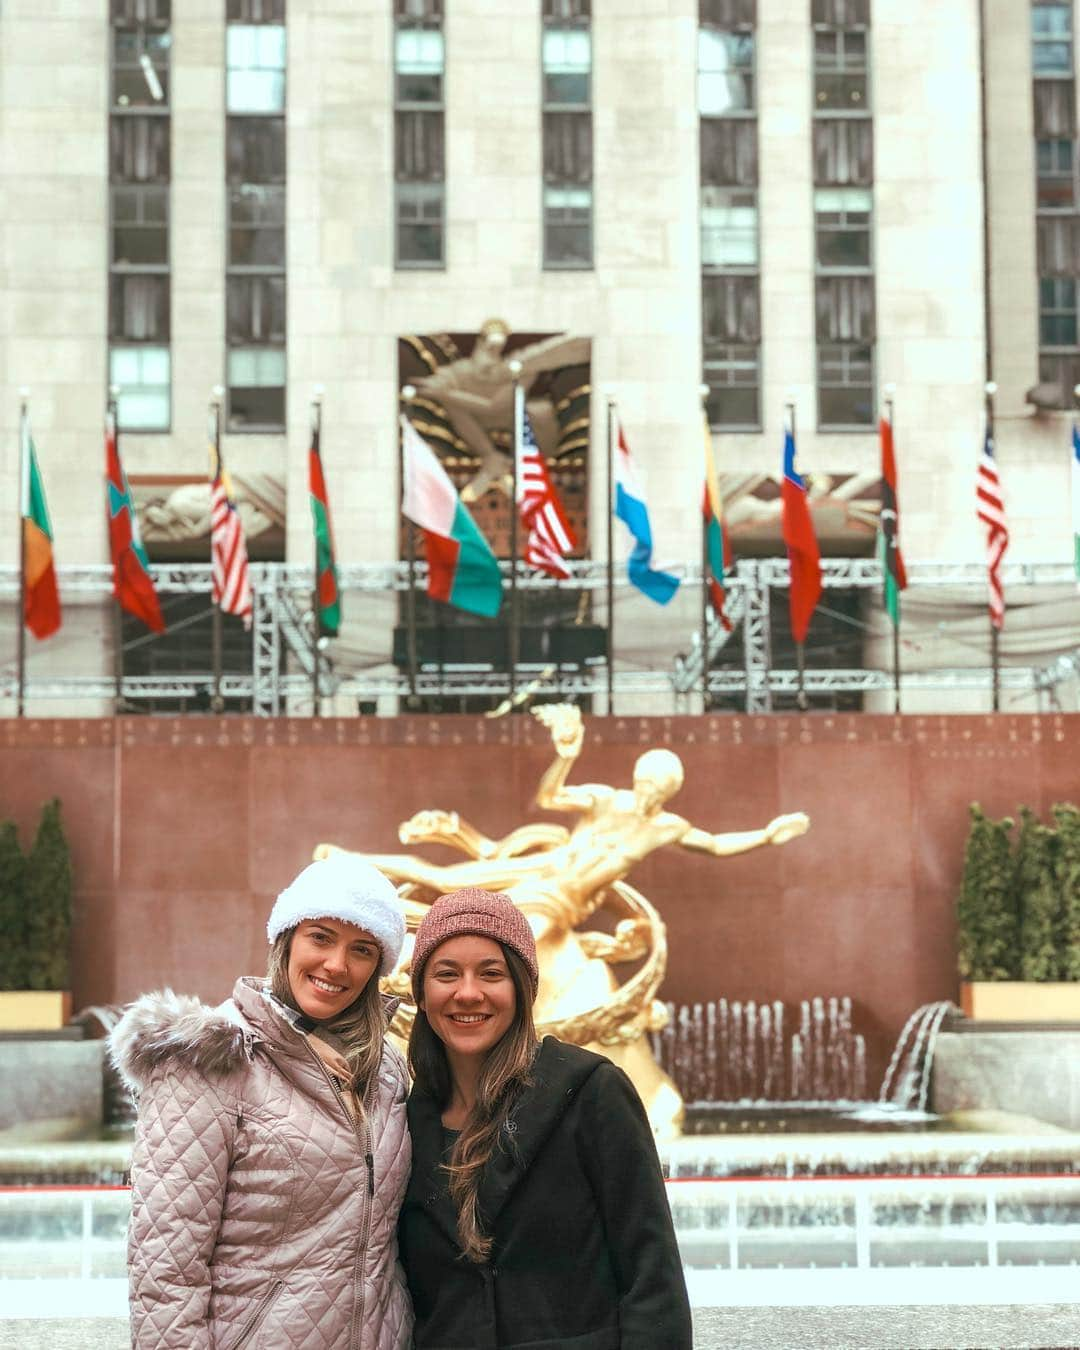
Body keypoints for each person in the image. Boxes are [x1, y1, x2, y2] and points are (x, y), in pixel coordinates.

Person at [109, 855, 413, 1349]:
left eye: (361, 948)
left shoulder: (385, 1072)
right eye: (320, 937)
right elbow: (166, 1271)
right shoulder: (210, 1061)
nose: (337, 964)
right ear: (285, 939)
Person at [398, 887, 693, 1350]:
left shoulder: (592, 1091)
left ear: (522, 986)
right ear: (421, 991)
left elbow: (653, 1280)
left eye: (491, 973)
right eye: (446, 974)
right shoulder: (406, 1117)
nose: (468, 993)